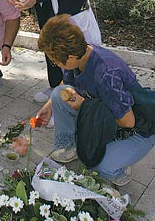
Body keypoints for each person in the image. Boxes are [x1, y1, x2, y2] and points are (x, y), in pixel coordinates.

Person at [36, 15, 155, 186]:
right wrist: (50, 106)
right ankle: (71, 147)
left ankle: (119, 168)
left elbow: (128, 121)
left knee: (99, 166)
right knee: (58, 94)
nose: (55, 64)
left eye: (55, 62)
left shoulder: (106, 74)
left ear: (70, 57)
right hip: (110, 116)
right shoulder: (81, 55)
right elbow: (67, 83)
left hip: (140, 126)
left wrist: (84, 106)